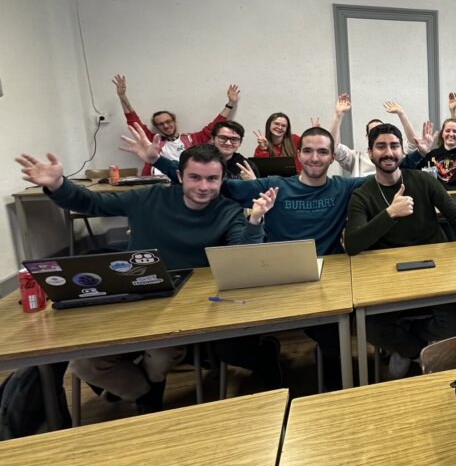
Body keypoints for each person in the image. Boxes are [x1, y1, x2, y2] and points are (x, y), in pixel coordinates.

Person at [15, 144, 276, 411]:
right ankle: (145, 392)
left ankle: (146, 392)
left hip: (185, 304)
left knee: (165, 353)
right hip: (132, 294)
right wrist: (59, 184)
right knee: (85, 364)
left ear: (222, 180)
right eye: (194, 177)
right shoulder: (150, 197)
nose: (204, 186)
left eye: (212, 179)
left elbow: (241, 257)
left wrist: (254, 222)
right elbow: (93, 203)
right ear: (179, 177)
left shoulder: (228, 210)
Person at [344, 124, 456, 377]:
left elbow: (455, 213)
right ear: (370, 153)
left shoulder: (421, 180)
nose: (388, 152)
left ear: (402, 151)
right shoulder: (362, 195)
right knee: (370, 326)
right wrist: (390, 213)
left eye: (394, 146)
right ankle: (416, 351)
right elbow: (354, 244)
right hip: (389, 278)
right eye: (381, 146)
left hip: (433, 269)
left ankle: (409, 347)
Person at [112, 74, 238, 175]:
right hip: (157, 183)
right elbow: (134, 122)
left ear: (174, 122)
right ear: (157, 127)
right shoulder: (153, 140)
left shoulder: (191, 139)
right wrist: (122, 97)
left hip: (183, 182)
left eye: (168, 122)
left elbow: (215, 125)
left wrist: (230, 104)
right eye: (161, 124)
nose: (166, 126)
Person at [121, 120, 256, 181]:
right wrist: (155, 160)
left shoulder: (246, 166)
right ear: (213, 138)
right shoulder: (197, 155)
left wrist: (254, 184)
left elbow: (259, 197)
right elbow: (177, 171)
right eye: (223, 138)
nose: (228, 143)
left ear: (240, 143)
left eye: (234, 139)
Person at [329, 95, 426, 177]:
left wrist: (402, 114)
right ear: (367, 137)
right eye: (374, 132)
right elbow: (333, 147)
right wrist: (338, 115)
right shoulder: (356, 157)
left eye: (381, 131)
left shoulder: (392, 152)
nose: (378, 134)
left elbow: (413, 144)